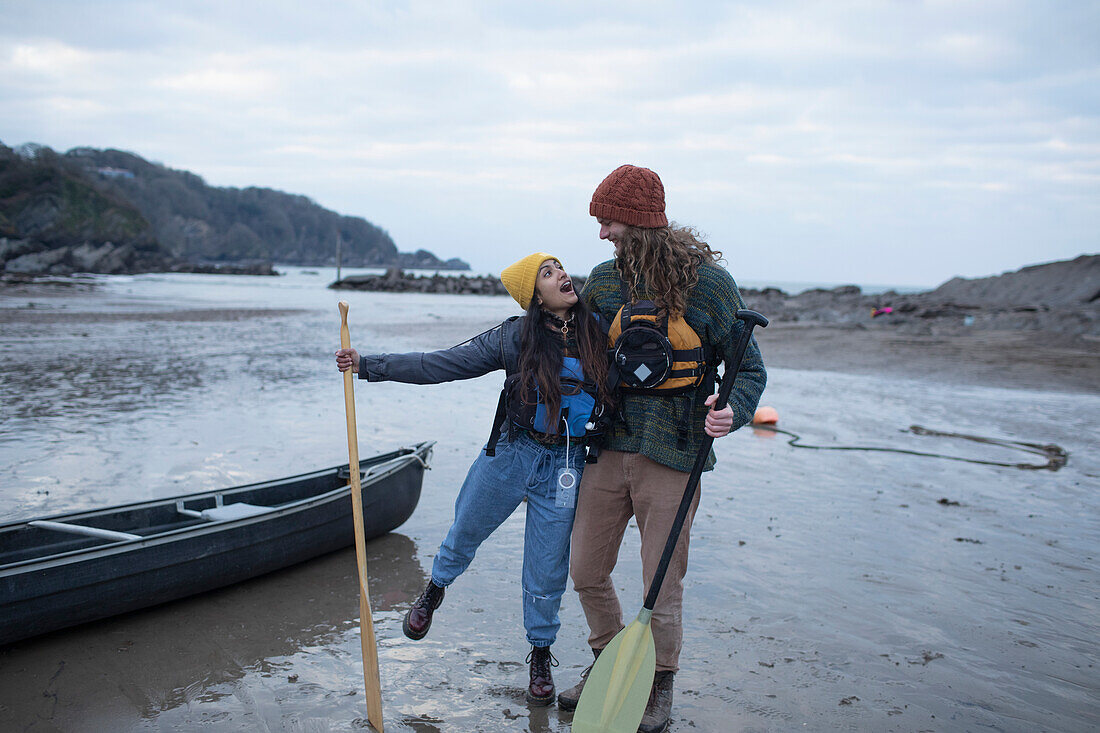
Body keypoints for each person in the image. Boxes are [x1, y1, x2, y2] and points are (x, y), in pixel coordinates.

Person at [334, 252, 613, 705]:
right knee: (464, 531)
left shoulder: (600, 331)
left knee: (547, 570)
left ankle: (540, 656)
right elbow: (442, 364)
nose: (561, 274)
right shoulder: (514, 335)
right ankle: (433, 591)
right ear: (535, 297)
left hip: (566, 465)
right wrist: (369, 366)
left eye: (559, 266)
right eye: (547, 272)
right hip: (510, 454)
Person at [558, 165, 767, 732]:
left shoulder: (710, 286)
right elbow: (575, 351)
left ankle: (659, 687)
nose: (601, 233)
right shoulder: (603, 282)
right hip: (608, 449)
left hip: (676, 453)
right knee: (585, 569)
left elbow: (747, 369)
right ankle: (608, 664)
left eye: (607, 221)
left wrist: (732, 411)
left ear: (639, 221)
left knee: (661, 584)